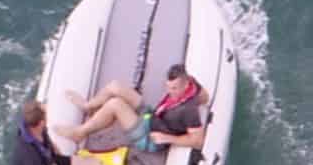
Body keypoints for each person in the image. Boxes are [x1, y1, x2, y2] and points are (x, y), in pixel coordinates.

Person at [11, 99, 156, 165]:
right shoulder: (29, 154)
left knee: (93, 164)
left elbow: (50, 146)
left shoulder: (38, 129)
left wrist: (66, 163)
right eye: (46, 113)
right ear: (41, 122)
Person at [63, 63, 208, 157]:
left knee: (115, 104)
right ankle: (88, 107)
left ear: (185, 85)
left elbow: (198, 141)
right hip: (153, 117)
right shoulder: (191, 83)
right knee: (115, 86)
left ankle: (80, 133)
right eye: (168, 86)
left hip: (151, 137)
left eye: (174, 88)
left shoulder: (189, 110)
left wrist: (168, 138)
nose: (169, 91)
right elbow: (205, 97)